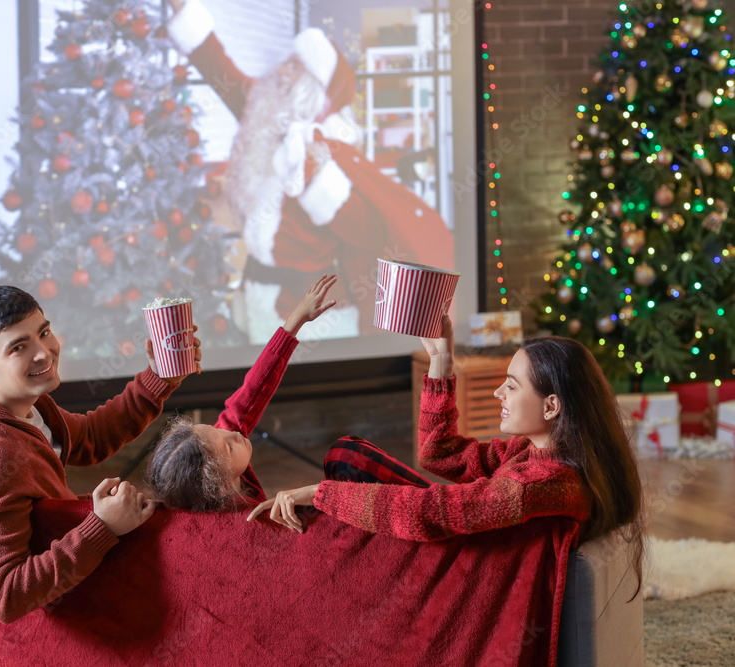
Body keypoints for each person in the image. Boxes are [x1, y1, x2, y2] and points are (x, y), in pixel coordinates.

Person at [251, 314, 645, 596]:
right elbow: (442, 456)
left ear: (551, 406)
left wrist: (319, 493)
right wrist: (441, 364)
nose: (498, 394)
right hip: (470, 552)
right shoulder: (534, 452)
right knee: (348, 455)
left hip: (469, 577)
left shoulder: (545, 481)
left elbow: (427, 514)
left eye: (511, 386)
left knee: (346, 470)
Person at [166, 0, 455, 344]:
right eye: (288, 62)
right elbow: (219, 70)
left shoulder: (328, 156)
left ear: (314, 92)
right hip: (257, 294)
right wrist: (183, 9)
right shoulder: (263, 112)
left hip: (305, 314)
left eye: (298, 68)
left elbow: (370, 232)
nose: (285, 72)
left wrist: (318, 182)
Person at [0, 285, 201, 624]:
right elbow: (7, 596)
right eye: (19, 347)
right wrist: (103, 527)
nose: (44, 352)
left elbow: (90, 438)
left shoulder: (9, 399)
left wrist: (160, 378)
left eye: (44, 332)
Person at [146, 275, 340, 510]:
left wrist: (295, 320)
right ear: (219, 487)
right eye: (228, 448)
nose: (234, 435)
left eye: (216, 429)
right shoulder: (249, 522)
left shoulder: (214, 464)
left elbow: (255, 387)